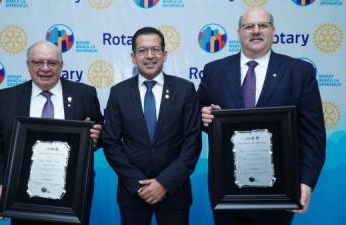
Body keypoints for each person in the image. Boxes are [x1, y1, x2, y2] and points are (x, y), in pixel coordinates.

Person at [197, 7, 326, 225]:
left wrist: (306, 182)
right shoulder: (214, 70)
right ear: (239, 33)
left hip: (280, 188)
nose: (255, 31)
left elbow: (313, 135)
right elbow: (198, 110)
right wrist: (203, 114)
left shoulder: (299, 71)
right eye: (249, 26)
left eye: (262, 25)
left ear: (273, 31)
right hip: (227, 187)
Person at [0, 40, 103, 225]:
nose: (45, 68)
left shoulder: (84, 94)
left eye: (52, 63)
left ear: (61, 66)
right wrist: (0, 187)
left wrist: (97, 137)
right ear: (28, 65)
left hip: (73, 198)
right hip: (21, 198)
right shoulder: (7, 98)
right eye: (38, 62)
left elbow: (100, 135)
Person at [102, 27, 202, 225]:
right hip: (133, 194)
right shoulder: (118, 93)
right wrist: (139, 186)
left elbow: (193, 142)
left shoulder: (185, 90)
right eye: (142, 50)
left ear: (165, 55)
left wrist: (164, 183)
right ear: (133, 56)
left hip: (175, 192)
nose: (149, 56)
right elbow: (110, 142)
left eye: (156, 50)